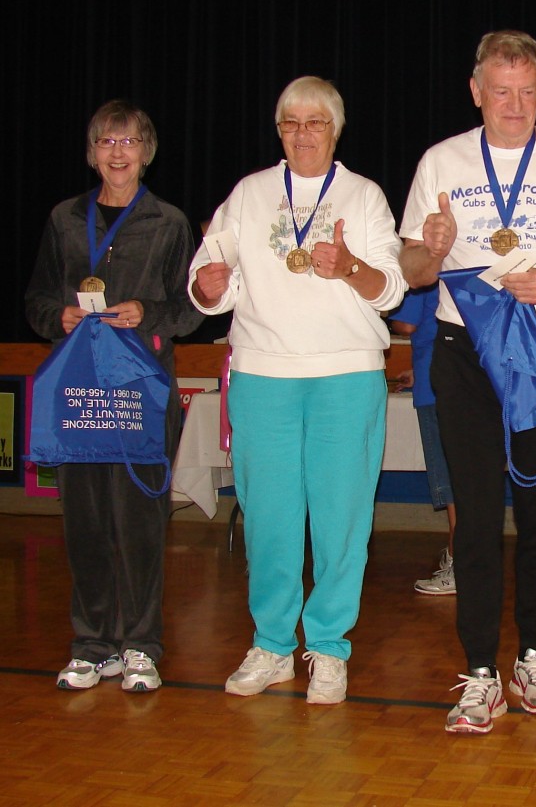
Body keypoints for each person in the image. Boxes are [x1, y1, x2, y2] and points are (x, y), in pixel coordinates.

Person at [399, 30, 536, 734]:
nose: (515, 105)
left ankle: (533, 654)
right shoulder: (441, 161)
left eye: (526, 92)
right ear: (476, 92)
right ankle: (479, 671)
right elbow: (411, 270)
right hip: (466, 350)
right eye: (501, 92)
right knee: (473, 511)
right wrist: (430, 251)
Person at [189, 76, 406, 705]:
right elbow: (210, 282)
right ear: (278, 130)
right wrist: (206, 286)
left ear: (336, 130)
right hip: (263, 373)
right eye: (291, 123)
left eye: (315, 123)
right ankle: (272, 645)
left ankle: (330, 647)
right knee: (269, 519)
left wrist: (351, 268)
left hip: (347, 373)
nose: (302, 134)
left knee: (342, 519)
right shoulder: (249, 193)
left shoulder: (363, 196)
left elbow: (392, 289)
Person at [25, 100, 202, 692]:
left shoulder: (169, 223)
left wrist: (146, 312)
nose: (118, 153)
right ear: (92, 153)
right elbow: (36, 301)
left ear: (146, 152)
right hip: (78, 392)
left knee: (140, 523)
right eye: (106, 142)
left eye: (129, 142)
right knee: (85, 523)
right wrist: (58, 316)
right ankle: (92, 645)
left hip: (139, 394)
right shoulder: (64, 220)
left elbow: (189, 310)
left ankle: (141, 646)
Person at [388, 284, 459, 595]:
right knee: (466, 478)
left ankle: (459, 563)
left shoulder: (423, 273)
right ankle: (464, 559)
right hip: (457, 375)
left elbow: (406, 324)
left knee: (452, 485)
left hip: (435, 386)